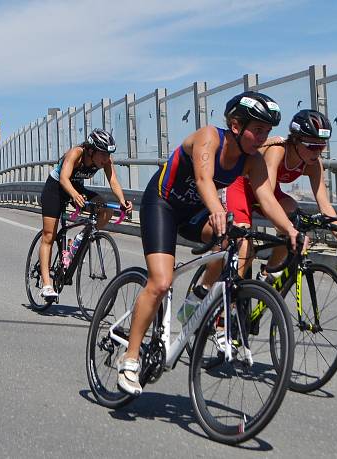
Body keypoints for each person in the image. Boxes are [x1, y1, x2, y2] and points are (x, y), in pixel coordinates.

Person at [116, 92, 302, 396]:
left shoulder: (253, 160)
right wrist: (218, 210)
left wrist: (289, 230)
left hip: (194, 210)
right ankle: (131, 358)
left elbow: (266, 198)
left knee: (233, 240)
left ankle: (199, 294)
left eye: (267, 132)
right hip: (163, 203)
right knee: (161, 282)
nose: (262, 138)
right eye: (257, 130)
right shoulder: (209, 137)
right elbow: (203, 179)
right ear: (235, 125)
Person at [225, 109, 337, 279]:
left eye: (322, 146)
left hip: (269, 194)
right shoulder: (278, 151)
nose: (317, 152)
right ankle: (229, 297)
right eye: (312, 146)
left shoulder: (313, 164)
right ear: (295, 140)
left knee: (294, 217)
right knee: (245, 248)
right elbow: (266, 196)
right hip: (243, 189)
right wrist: (285, 228)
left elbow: (324, 204)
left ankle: (268, 273)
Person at [37, 128, 133, 301]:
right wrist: (74, 196)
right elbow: (64, 178)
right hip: (56, 188)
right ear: (91, 150)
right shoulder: (76, 153)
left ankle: (78, 240)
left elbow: (113, 180)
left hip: (77, 189)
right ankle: (46, 285)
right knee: (49, 235)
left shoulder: (105, 160)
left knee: (106, 210)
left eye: (108, 155)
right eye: (103, 154)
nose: (106, 159)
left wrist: (122, 201)